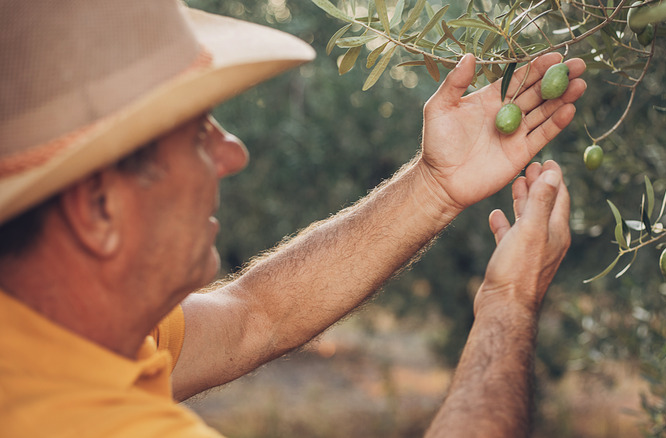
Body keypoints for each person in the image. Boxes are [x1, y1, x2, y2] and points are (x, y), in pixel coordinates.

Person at [0, 1, 586, 437]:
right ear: (100, 209)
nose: (233, 152)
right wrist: (509, 302)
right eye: (198, 132)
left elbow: (255, 316)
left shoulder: (61, 332)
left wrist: (433, 186)